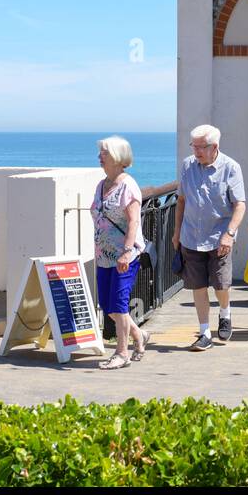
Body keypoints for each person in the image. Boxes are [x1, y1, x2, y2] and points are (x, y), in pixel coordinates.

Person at [172, 124, 246, 350]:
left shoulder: (231, 168)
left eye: (201, 147)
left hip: (219, 236)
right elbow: (181, 201)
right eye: (193, 146)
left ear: (215, 147)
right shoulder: (187, 166)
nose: (196, 151)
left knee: (221, 284)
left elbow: (240, 205)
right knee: (198, 285)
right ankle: (204, 332)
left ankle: (225, 313)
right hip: (191, 235)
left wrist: (229, 233)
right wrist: (176, 233)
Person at [91, 136, 149, 370]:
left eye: (104, 152)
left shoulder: (128, 185)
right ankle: (139, 335)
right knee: (107, 305)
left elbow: (134, 220)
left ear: (116, 156)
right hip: (103, 256)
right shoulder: (102, 184)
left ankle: (121, 352)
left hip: (125, 256)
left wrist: (126, 251)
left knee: (119, 305)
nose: (99, 157)